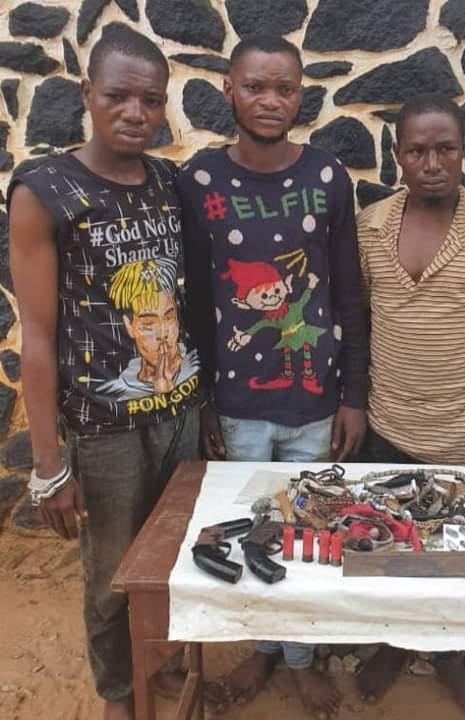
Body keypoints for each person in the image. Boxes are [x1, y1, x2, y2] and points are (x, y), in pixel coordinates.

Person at [7, 23, 215, 720]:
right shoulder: (46, 190)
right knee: (112, 574)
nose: (135, 112)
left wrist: (205, 407)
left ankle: (166, 667)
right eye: (118, 96)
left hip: (180, 414)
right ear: (86, 95)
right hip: (105, 430)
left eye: (151, 100)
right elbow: (38, 334)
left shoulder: (169, 183)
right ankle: (120, 697)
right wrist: (47, 464)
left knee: (174, 558)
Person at [177, 34, 368, 720]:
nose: (269, 100)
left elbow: (347, 294)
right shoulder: (199, 181)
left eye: (284, 88)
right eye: (254, 86)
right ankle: (264, 648)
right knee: (253, 529)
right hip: (237, 405)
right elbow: (196, 301)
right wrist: (204, 399)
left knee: (306, 532)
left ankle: (300, 659)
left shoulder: (326, 177)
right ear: (228, 90)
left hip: (314, 404)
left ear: (301, 95)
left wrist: (353, 396)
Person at [355, 93, 465, 713]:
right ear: (398, 155)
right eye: (417, 151)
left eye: (445, 149)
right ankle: (392, 644)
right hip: (386, 418)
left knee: (455, 549)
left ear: (463, 151)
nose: (431, 164)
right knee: (385, 542)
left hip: (458, 428)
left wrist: (458, 363)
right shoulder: (371, 226)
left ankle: (449, 653)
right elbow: (365, 313)